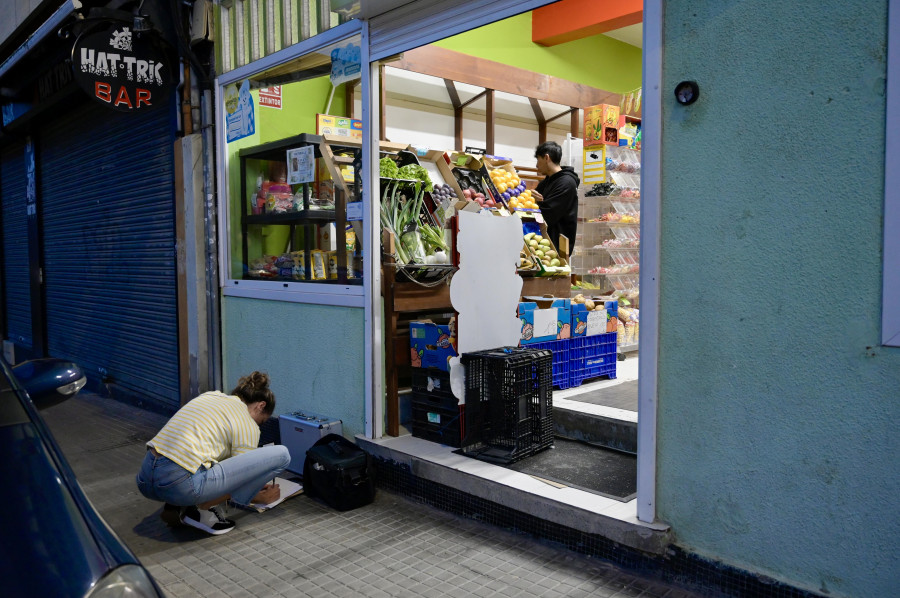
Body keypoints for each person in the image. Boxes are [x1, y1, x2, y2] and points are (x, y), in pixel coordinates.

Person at [136, 371, 291, 535]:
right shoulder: (247, 421)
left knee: (209, 456)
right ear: (261, 406)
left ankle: (180, 503)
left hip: (145, 478)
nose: (259, 426)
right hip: (181, 483)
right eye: (262, 421)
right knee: (282, 455)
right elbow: (240, 477)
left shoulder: (211, 396)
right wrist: (256, 497)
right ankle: (201, 507)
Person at [532, 141, 580, 250]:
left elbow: (548, 214)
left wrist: (538, 202)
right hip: (543, 243)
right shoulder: (547, 181)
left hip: (556, 246)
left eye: (538, 159)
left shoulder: (566, 183)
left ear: (546, 158)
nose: (536, 165)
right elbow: (533, 201)